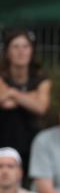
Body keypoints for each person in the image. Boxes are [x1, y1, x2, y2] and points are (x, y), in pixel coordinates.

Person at [0, 29, 51, 181]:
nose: (21, 51)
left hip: (32, 143)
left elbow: (41, 107)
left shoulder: (41, 78)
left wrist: (13, 93)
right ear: (7, 52)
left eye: (25, 46)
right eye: (15, 47)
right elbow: (5, 103)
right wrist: (31, 96)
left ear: (31, 51)